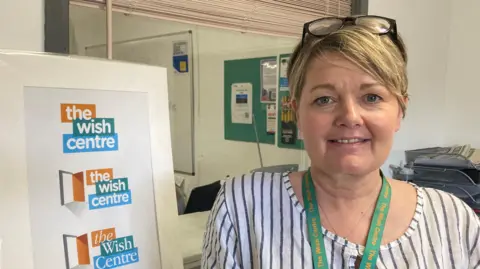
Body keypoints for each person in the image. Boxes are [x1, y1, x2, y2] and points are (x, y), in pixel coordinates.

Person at [201, 15, 480, 269]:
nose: (350, 116)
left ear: (400, 111)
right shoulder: (241, 207)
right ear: (297, 113)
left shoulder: (453, 219)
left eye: (372, 97)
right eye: (324, 99)